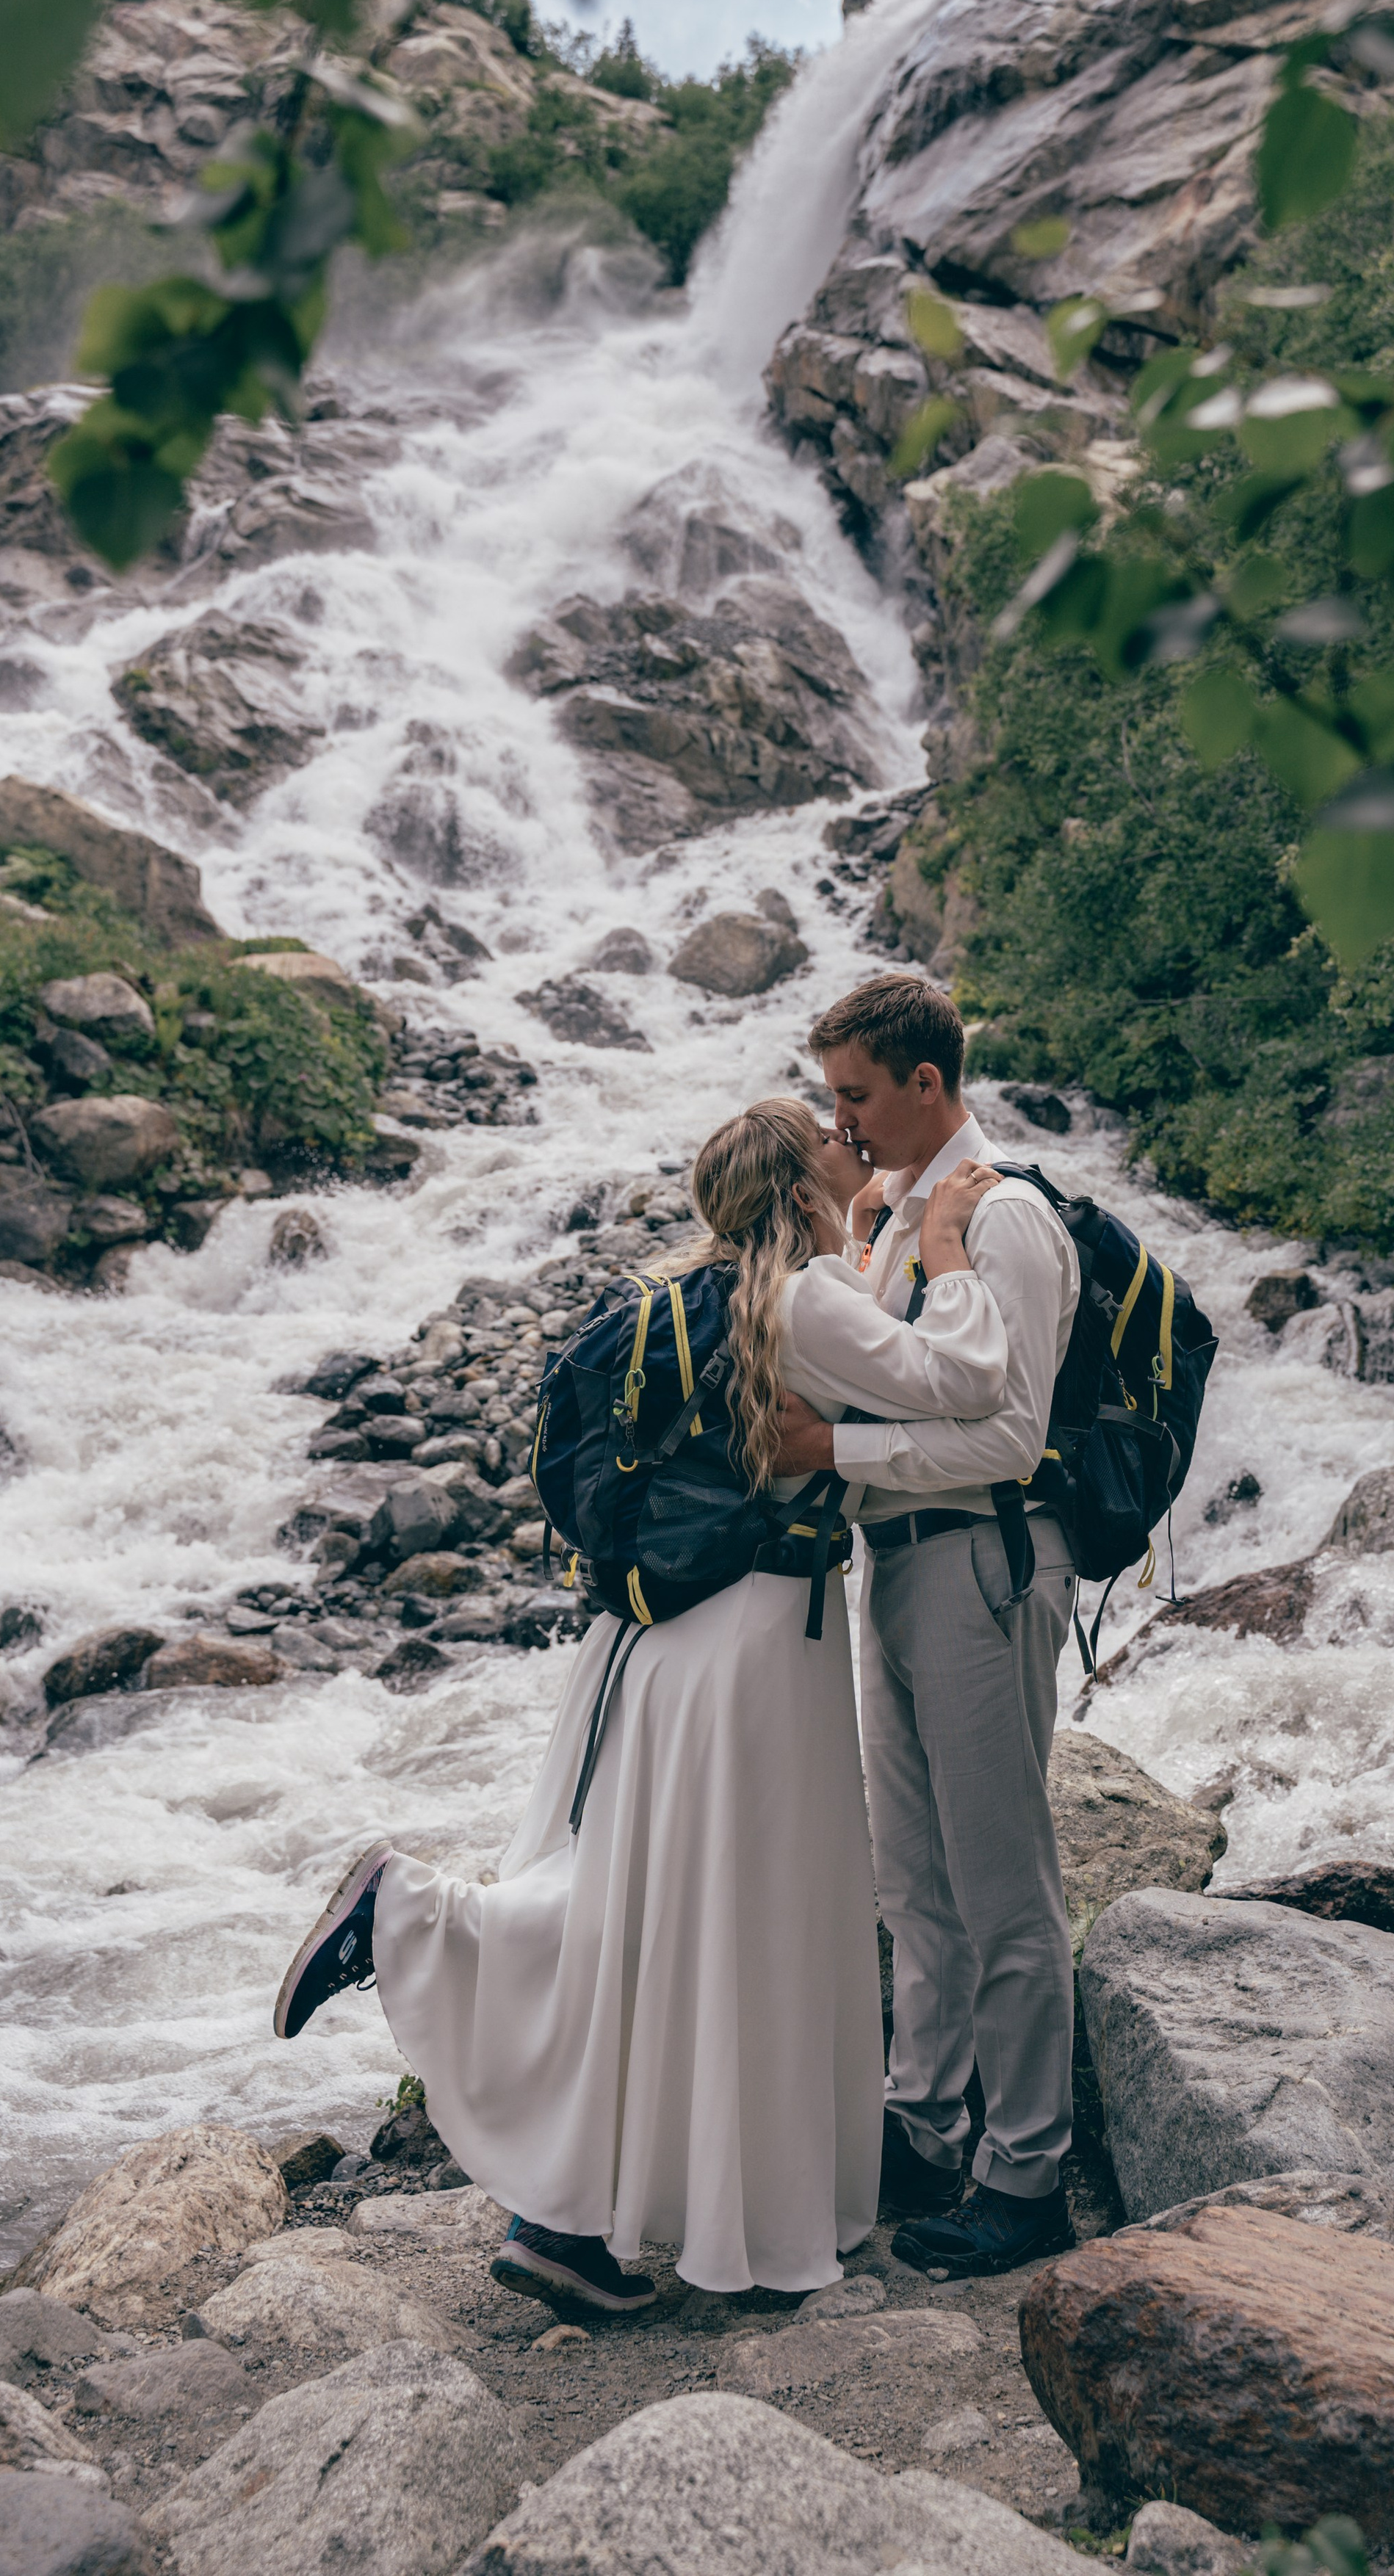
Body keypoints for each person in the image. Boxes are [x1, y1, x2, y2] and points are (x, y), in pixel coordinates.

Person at [270, 1096, 1008, 2315]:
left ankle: (560, 2223)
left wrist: (867, 1234)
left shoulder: (701, 1293)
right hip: (752, 1647)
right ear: (796, 1183)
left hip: (652, 1637)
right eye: (829, 1133)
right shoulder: (805, 1301)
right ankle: (411, 1917)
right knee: (737, 1924)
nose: (850, 1134)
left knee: (641, 1915)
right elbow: (967, 1381)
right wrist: (937, 1255)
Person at [773, 972, 1081, 2282]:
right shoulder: (892, 1212)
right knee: (915, 1879)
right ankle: (925, 2123)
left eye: (853, 1097)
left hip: (981, 1563)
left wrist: (834, 1446)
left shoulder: (998, 1218)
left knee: (1002, 1885)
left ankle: (1027, 2176)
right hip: (895, 1563)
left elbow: (1010, 1437)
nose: (835, 1124)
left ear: (927, 1086)